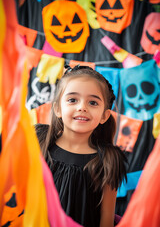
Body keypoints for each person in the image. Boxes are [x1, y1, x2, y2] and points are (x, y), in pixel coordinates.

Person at [35, 65, 127, 227]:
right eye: (72, 100)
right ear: (57, 108)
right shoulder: (39, 141)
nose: (82, 107)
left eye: (93, 102)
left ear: (104, 116)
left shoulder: (108, 159)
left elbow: (106, 219)